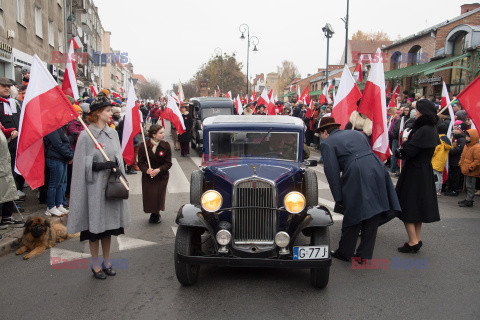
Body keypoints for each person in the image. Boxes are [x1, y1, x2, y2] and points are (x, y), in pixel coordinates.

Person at [317, 117, 400, 262]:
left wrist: (339, 198)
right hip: (377, 167)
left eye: (321, 134)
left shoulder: (328, 143)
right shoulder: (356, 133)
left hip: (357, 171)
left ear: (325, 131)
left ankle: (345, 252)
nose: (321, 138)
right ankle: (364, 254)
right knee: (373, 211)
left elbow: (332, 173)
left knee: (353, 212)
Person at [67, 93, 130, 280]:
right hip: (93, 190)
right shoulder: (86, 136)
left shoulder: (112, 133)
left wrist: (118, 168)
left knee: (108, 228)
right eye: (108, 110)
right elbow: (79, 166)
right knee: (94, 230)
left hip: (110, 189)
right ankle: (95, 264)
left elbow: (118, 157)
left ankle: (107, 261)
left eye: (111, 110)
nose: (111, 113)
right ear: (97, 113)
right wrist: (98, 165)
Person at [395, 99, 441, 253]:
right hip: (424, 170)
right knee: (418, 207)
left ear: (423, 112)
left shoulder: (423, 130)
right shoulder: (431, 128)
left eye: (418, 110)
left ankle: (413, 241)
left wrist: (406, 141)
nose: (416, 112)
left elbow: (410, 152)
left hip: (415, 172)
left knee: (408, 206)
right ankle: (417, 238)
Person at [137, 125, 172, 224]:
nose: (163, 134)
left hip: (161, 175)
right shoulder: (143, 145)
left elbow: (168, 163)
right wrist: (146, 170)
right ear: (153, 135)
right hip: (148, 176)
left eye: (163, 132)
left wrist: (159, 169)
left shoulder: (166, 145)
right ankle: (152, 212)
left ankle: (156, 213)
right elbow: (140, 163)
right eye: (160, 133)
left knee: (158, 195)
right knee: (150, 196)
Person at [44, 125, 74, 217]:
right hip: (55, 158)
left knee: (61, 183)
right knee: (54, 184)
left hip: (61, 158)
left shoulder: (60, 128)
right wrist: (69, 155)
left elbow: (66, 143)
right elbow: (58, 144)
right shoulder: (51, 128)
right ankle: (51, 206)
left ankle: (59, 204)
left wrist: (69, 155)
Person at [0, 121, 22, 227]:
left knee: (8, 191)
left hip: (4, 164)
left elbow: (4, 131)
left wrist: (11, 131)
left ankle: (6, 217)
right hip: (1, 165)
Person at [458, 129, 480, 207]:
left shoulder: (476, 147)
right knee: (468, 186)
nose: (466, 138)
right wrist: (460, 163)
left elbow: (477, 160)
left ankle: (469, 200)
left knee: (470, 186)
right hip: (466, 169)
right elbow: (462, 156)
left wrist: (471, 167)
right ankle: (468, 198)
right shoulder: (467, 146)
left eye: (468, 136)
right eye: (466, 136)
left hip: (471, 171)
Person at [431, 123, 452, 195]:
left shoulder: (438, 139)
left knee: (435, 177)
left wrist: (430, 155)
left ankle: (435, 190)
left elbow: (435, 150)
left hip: (435, 161)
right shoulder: (447, 140)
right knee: (439, 176)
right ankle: (439, 189)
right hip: (442, 162)